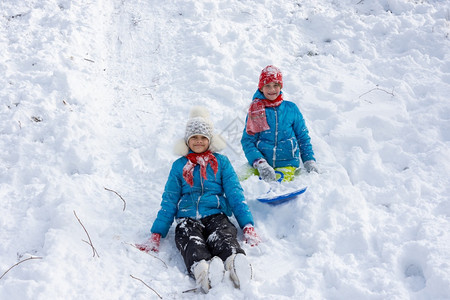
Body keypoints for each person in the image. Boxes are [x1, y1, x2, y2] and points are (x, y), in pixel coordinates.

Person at [137, 106, 261, 293]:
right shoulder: (179, 166)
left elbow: (235, 193)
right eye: (194, 137)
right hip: (187, 217)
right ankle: (203, 271)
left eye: (203, 137)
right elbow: (169, 200)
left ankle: (234, 263)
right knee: (189, 240)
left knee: (224, 236)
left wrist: (247, 224)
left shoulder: (221, 163)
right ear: (187, 140)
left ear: (210, 140)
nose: (199, 141)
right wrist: (157, 232)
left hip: (216, 213)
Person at [241, 65, 318, 182]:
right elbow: (248, 141)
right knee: (236, 180)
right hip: (262, 164)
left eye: (275, 85)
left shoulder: (291, 108)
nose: (272, 90)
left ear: (280, 86)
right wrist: (260, 163)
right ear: (261, 88)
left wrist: (309, 160)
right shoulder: (256, 110)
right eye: (267, 86)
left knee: (277, 187)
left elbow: (303, 138)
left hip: (286, 163)